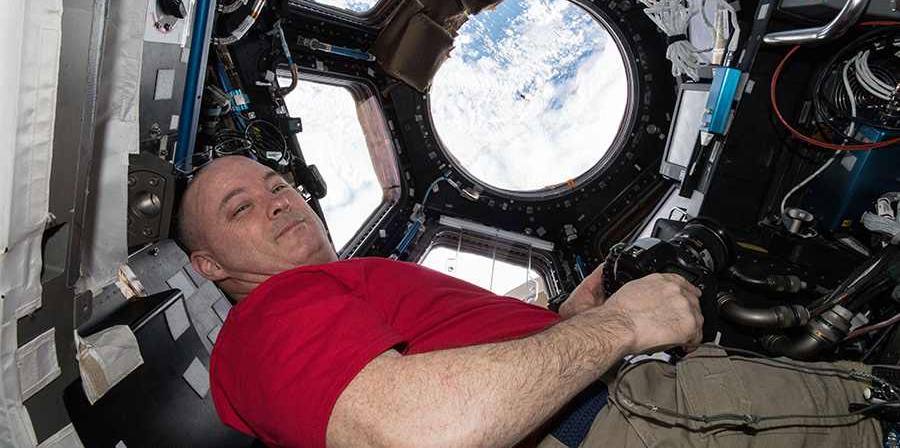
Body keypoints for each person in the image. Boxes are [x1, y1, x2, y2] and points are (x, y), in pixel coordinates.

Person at [178, 155, 882, 448]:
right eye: (240, 207)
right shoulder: (266, 318)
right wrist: (622, 323)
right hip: (628, 422)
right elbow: (418, 433)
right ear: (208, 265)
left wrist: (568, 320)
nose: (275, 202)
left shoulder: (355, 285)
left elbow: (472, 381)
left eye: (276, 183)